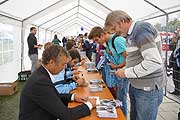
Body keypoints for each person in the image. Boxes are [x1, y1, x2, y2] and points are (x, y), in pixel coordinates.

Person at [105, 10, 166, 120]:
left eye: (114, 29)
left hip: (147, 88)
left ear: (122, 21)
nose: (115, 33)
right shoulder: (131, 34)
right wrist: (124, 69)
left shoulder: (141, 29)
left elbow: (154, 61)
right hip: (138, 85)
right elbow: (135, 59)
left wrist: (125, 72)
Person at [19, 45, 96, 120]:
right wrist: (89, 105)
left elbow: (52, 96)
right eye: (63, 65)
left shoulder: (42, 75)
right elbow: (66, 115)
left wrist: (72, 97)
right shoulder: (40, 81)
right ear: (52, 62)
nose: (63, 68)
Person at [88, 26, 128, 117]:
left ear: (102, 35)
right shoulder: (109, 42)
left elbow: (129, 58)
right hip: (119, 72)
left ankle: (123, 116)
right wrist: (106, 53)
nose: (97, 42)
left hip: (123, 72)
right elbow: (116, 53)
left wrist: (117, 66)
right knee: (118, 98)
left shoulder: (117, 40)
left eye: (97, 40)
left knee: (121, 99)